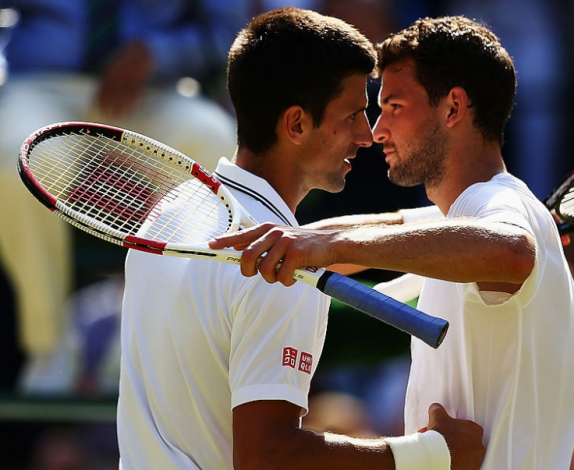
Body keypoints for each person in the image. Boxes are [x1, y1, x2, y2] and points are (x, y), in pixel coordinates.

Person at [119, 8, 484, 470]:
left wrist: (478, 218)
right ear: (295, 125)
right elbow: (267, 455)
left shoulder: (169, 215)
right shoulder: (287, 273)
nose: (367, 135)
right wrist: (431, 455)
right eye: (352, 114)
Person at [211, 15, 574, 470]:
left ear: (452, 109)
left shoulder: (498, 206)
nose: (376, 131)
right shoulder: (466, 214)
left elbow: (512, 251)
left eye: (393, 106)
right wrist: (275, 246)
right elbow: (379, 228)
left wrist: (325, 248)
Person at [0, 0, 246, 378]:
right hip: (40, 86)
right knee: (9, 158)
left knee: (218, 147)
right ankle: (49, 349)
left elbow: (231, 34)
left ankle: (147, 339)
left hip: (157, 91)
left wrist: (158, 53)